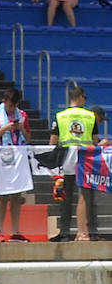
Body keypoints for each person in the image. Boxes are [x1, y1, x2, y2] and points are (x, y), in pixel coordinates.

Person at [0, 88, 36, 243]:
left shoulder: (23, 115)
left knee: (17, 196)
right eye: (9, 105)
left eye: (14, 106)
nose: (11, 109)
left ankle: (15, 231)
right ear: (4, 101)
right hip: (1, 160)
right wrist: (4, 129)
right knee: (2, 197)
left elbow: (29, 138)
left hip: (17, 161)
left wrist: (21, 129)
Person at [51, 84, 97, 241]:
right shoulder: (90, 116)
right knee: (84, 196)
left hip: (65, 158)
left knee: (65, 195)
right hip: (85, 159)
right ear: (79, 97)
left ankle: (64, 232)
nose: (85, 100)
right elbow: (95, 141)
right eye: (84, 97)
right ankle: (85, 231)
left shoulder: (60, 116)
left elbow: (53, 141)